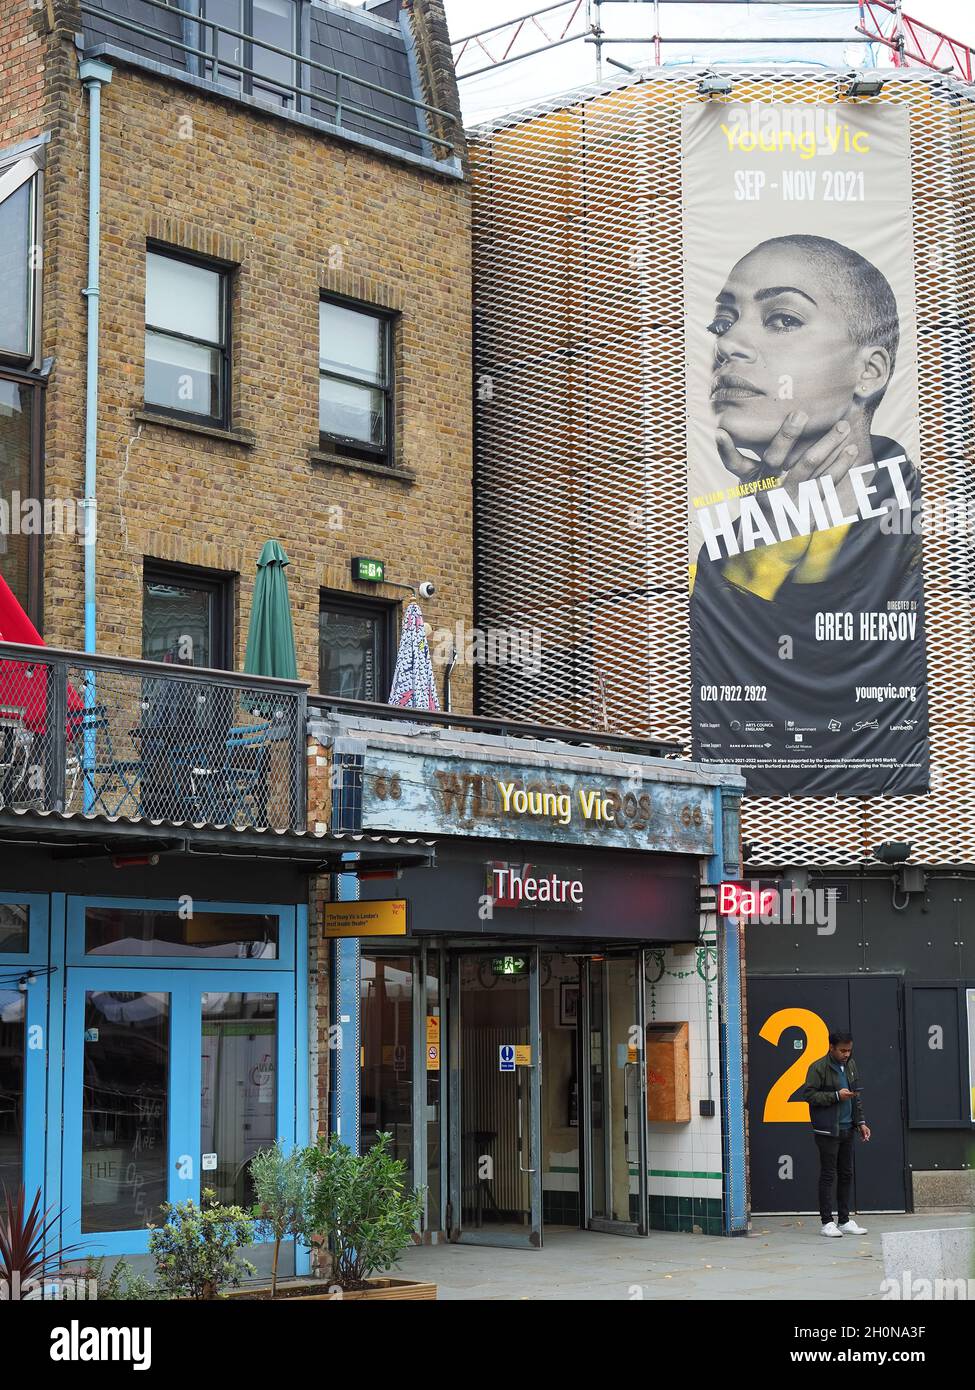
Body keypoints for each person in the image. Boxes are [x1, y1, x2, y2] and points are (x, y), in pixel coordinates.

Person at [689, 234, 927, 796]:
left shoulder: (932, 539)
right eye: (724, 320)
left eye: (783, 319)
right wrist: (768, 536)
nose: (731, 345)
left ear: (870, 370)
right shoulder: (724, 560)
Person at [799, 1030, 871, 1238]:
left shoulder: (851, 1065)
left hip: (848, 1128)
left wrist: (862, 1123)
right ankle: (827, 1222)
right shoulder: (818, 1067)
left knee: (846, 1174)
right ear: (831, 1047)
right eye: (842, 1050)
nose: (846, 1054)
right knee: (828, 1175)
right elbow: (809, 1095)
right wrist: (836, 1096)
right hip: (827, 1129)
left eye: (849, 1050)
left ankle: (844, 1220)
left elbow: (856, 1097)